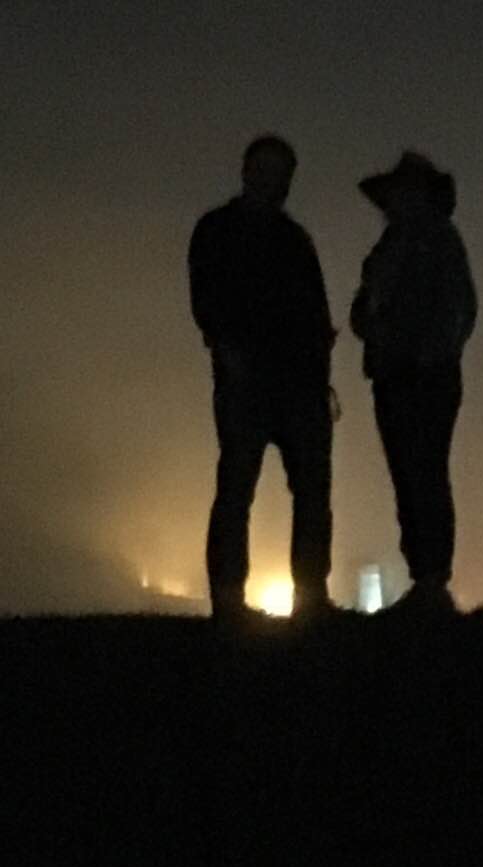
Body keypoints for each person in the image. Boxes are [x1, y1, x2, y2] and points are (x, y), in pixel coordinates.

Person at [188, 135, 336, 624]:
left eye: (280, 172)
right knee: (239, 489)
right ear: (247, 170)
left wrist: (319, 373)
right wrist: (229, 354)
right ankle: (233, 597)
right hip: (249, 380)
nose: (273, 180)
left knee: (304, 492)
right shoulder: (219, 230)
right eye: (266, 169)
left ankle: (308, 596)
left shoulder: (291, 239)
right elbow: (206, 300)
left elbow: (315, 311)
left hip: (295, 385)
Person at [351, 152, 476, 609]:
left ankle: (431, 580)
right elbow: (364, 308)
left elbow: (459, 308)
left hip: (424, 377)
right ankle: (425, 578)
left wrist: (429, 355)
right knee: (409, 475)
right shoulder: (392, 245)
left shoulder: (438, 239)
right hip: (394, 375)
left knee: (423, 474)